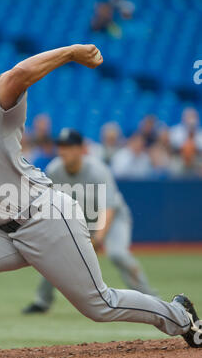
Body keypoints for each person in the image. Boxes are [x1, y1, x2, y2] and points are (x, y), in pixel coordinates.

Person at [0, 46, 201, 358]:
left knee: (99, 305)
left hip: (43, 215)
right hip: (0, 229)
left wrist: (73, 52)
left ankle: (179, 316)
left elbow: (18, 75)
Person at [23, 128, 157, 314]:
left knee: (118, 254)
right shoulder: (55, 169)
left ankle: (151, 299)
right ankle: (42, 301)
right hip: (81, 219)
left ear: (81, 149)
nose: (63, 151)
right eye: (61, 147)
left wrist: (98, 239)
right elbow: (49, 203)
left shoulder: (97, 170)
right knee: (57, 253)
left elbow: (108, 208)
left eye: (68, 147)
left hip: (113, 218)